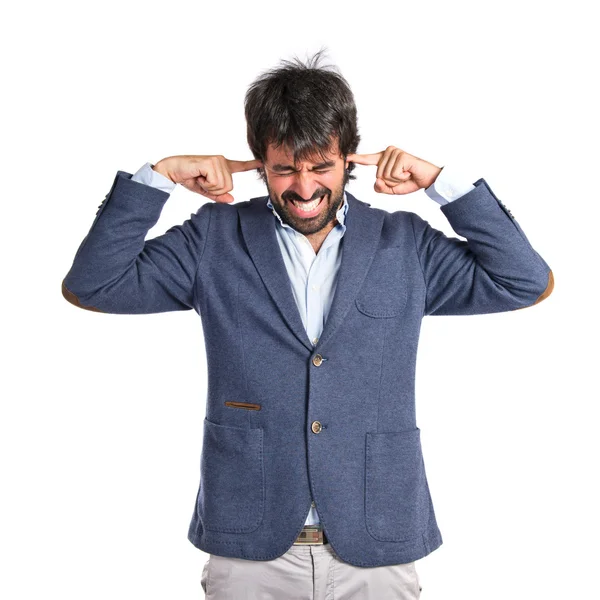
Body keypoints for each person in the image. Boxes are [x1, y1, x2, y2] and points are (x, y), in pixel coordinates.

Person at [61, 50, 554, 599]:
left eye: (321, 166)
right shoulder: (214, 239)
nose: (302, 187)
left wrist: (445, 184)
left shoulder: (405, 245)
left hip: (376, 539)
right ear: (259, 163)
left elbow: (523, 281)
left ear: (349, 158)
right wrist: (157, 178)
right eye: (283, 168)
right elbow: (94, 285)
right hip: (250, 542)